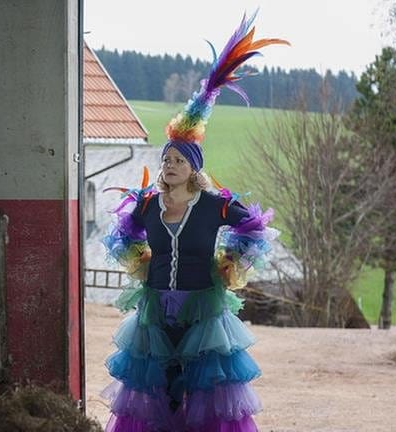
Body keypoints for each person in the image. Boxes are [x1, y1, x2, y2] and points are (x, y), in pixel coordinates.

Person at [101, 11, 288, 432]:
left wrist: (231, 261)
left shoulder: (214, 205)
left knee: (207, 388)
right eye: (165, 158)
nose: (168, 165)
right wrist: (141, 259)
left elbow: (256, 226)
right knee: (156, 388)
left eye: (178, 160)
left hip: (203, 307)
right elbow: (122, 232)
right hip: (154, 307)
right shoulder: (147, 204)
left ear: (193, 167)